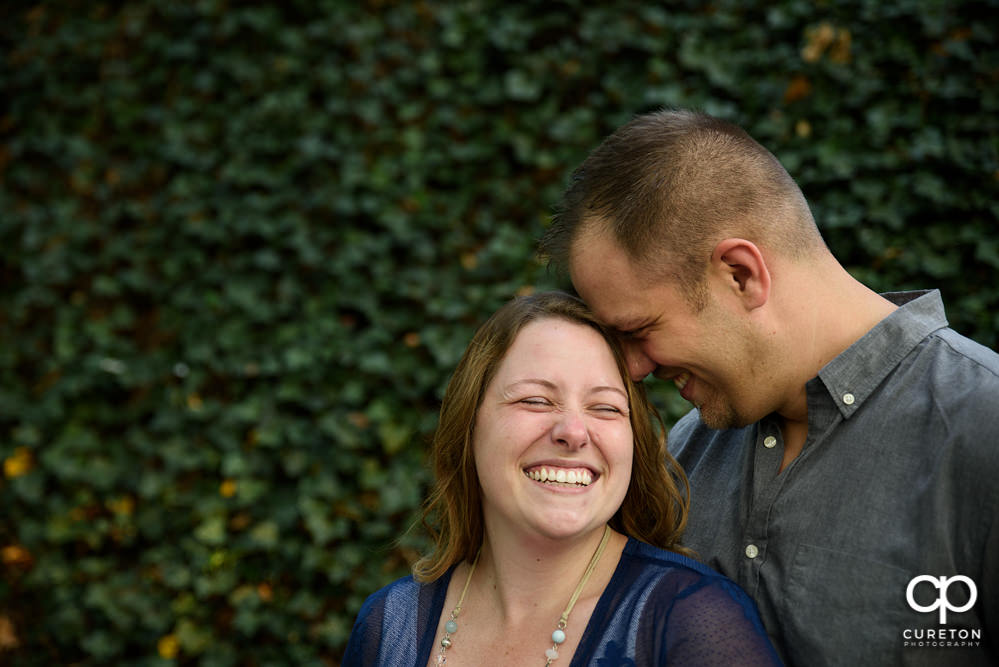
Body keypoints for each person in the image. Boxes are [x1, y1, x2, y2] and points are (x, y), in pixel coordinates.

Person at [539, 109, 999, 666]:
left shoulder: (983, 429)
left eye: (639, 330)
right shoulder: (681, 459)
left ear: (741, 274)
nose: (632, 370)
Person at [343, 291, 781, 666]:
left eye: (606, 407)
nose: (573, 432)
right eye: (536, 400)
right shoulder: (389, 626)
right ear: (469, 426)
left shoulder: (691, 621)